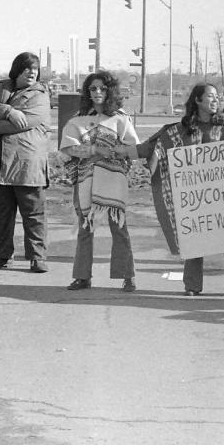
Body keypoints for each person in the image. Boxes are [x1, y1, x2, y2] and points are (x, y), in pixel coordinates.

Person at [115, 82, 224, 298]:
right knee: (194, 237)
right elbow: (151, 148)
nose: (215, 100)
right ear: (197, 100)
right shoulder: (179, 131)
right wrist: (119, 152)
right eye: (210, 96)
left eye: (217, 96)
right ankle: (192, 285)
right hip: (193, 199)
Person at [0, 52, 51, 273]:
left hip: (26, 164)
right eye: (27, 69)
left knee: (33, 213)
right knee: (1, 214)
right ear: (17, 70)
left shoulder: (41, 96)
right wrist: (8, 110)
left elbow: (22, 124)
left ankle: (37, 257)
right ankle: (3, 255)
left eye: (35, 69)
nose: (32, 73)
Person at [60, 71, 139, 293]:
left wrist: (109, 151)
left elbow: (132, 149)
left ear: (110, 91)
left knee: (119, 227)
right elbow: (67, 148)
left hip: (113, 179)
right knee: (86, 228)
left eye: (102, 88)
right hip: (86, 179)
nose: (97, 92)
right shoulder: (78, 119)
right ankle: (82, 277)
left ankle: (128, 276)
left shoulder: (121, 119)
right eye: (93, 88)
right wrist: (94, 149)